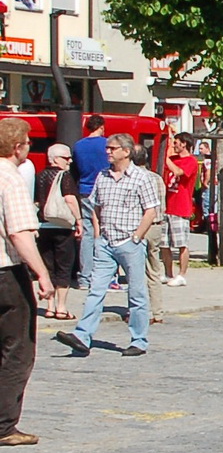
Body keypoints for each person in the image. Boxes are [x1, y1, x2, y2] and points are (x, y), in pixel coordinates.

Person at [55, 132, 159, 357]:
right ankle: (82, 335)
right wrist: (98, 232)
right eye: (107, 148)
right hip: (106, 243)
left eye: (112, 148)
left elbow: (151, 210)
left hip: (130, 243)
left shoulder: (142, 178)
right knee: (95, 291)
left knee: (136, 294)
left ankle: (139, 340)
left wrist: (137, 236)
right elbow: (95, 205)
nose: (108, 152)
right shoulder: (103, 176)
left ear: (126, 151)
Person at [0, 119, 53, 446]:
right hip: (6, 272)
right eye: (28, 142)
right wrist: (42, 273)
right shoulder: (10, 178)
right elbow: (19, 232)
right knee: (17, 348)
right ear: (17, 147)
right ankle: (4, 425)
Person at [34, 144, 80, 321]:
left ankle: (50, 306)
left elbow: (36, 201)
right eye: (66, 158)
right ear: (55, 159)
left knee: (48, 266)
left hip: (44, 226)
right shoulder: (65, 176)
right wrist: (79, 220)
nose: (70, 161)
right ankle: (61, 307)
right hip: (63, 227)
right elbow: (70, 199)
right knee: (64, 266)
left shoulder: (40, 176)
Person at [71, 114, 107, 290]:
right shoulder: (107, 144)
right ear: (101, 127)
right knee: (105, 231)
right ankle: (104, 274)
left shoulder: (78, 146)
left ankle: (85, 277)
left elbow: (76, 169)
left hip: (85, 189)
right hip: (104, 189)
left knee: (87, 233)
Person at [134, 146, 167, 325]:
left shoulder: (134, 178)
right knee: (154, 270)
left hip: (139, 226)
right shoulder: (157, 178)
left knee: (135, 271)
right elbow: (162, 204)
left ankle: (140, 311)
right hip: (156, 226)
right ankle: (157, 312)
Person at [161, 133, 197, 286]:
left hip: (180, 207)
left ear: (184, 144)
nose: (174, 145)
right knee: (164, 244)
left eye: (176, 143)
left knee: (181, 243)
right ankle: (168, 273)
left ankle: (182, 275)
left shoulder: (191, 161)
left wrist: (165, 158)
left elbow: (178, 172)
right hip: (166, 206)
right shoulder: (173, 159)